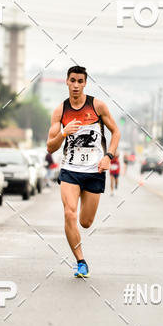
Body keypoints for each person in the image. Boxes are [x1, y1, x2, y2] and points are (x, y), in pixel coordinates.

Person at [47, 65, 120, 278]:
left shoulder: (98, 106)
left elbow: (116, 132)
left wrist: (109, 156)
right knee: (69, 212)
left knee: (85, 222)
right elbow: (50, 147)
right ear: (67, 82)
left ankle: (80, 249)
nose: (76, 85)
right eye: (73, 80)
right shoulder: (60, 111)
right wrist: (63, 133)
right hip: (70, 170)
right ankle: (81, 261)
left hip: (94, 170)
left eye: (80, 81)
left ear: (85, 83)